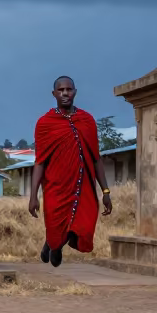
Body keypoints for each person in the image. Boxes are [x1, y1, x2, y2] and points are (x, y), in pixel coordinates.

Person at [29, 76, 112, 266]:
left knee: (84, 223)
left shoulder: (87, 120)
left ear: (75, 92)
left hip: (83, 186)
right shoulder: (45, 123)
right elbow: (40, 162)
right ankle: (53, 244)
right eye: (61, 90)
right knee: (55, 224)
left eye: (69, 89)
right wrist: (33, 196)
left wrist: (106, 191)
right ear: (54, 94)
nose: (65, 93)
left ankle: (55, 245)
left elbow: (96, 158)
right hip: (55, 186)